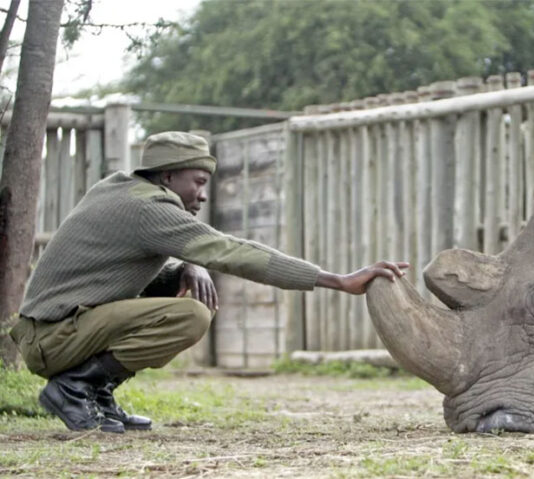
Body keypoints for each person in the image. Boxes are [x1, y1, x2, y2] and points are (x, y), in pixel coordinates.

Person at [10, 131, 408, 434]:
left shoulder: (121, 190)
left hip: (54, 332)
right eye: (197, 182)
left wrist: (185, 267)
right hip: (54, 339)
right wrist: (338, 280)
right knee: (190, 316)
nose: (202, 195)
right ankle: (75, 389)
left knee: (183, 294)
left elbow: (112, 280)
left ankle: (94, 393)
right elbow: (230, 251)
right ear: (167, 176)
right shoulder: (148, 208)